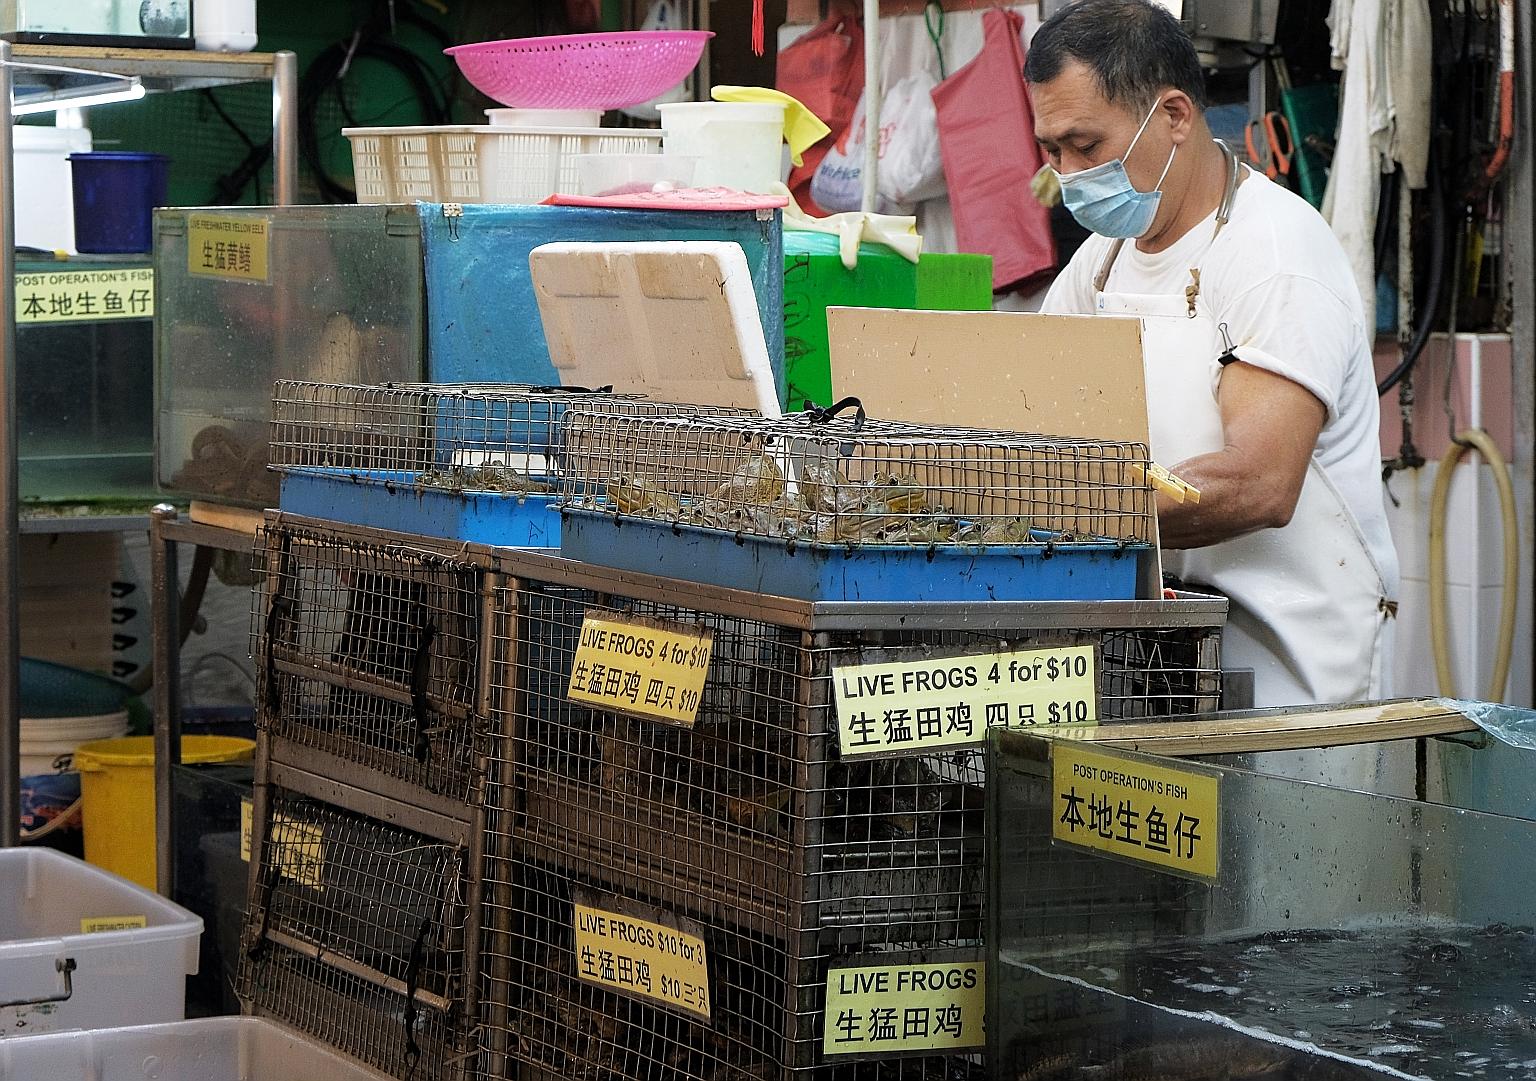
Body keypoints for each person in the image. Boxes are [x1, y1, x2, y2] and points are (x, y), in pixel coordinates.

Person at [1027, 0, 1398, 708]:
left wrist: (1062, 507)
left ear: (1173, 115)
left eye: (1086, 145)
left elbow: (1260, 482)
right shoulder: (1100, 263)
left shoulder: (1274, 255)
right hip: (1148, 654)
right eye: (1052, 150)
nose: (1069, 174)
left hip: (1286, 669)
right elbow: (1034, 421)